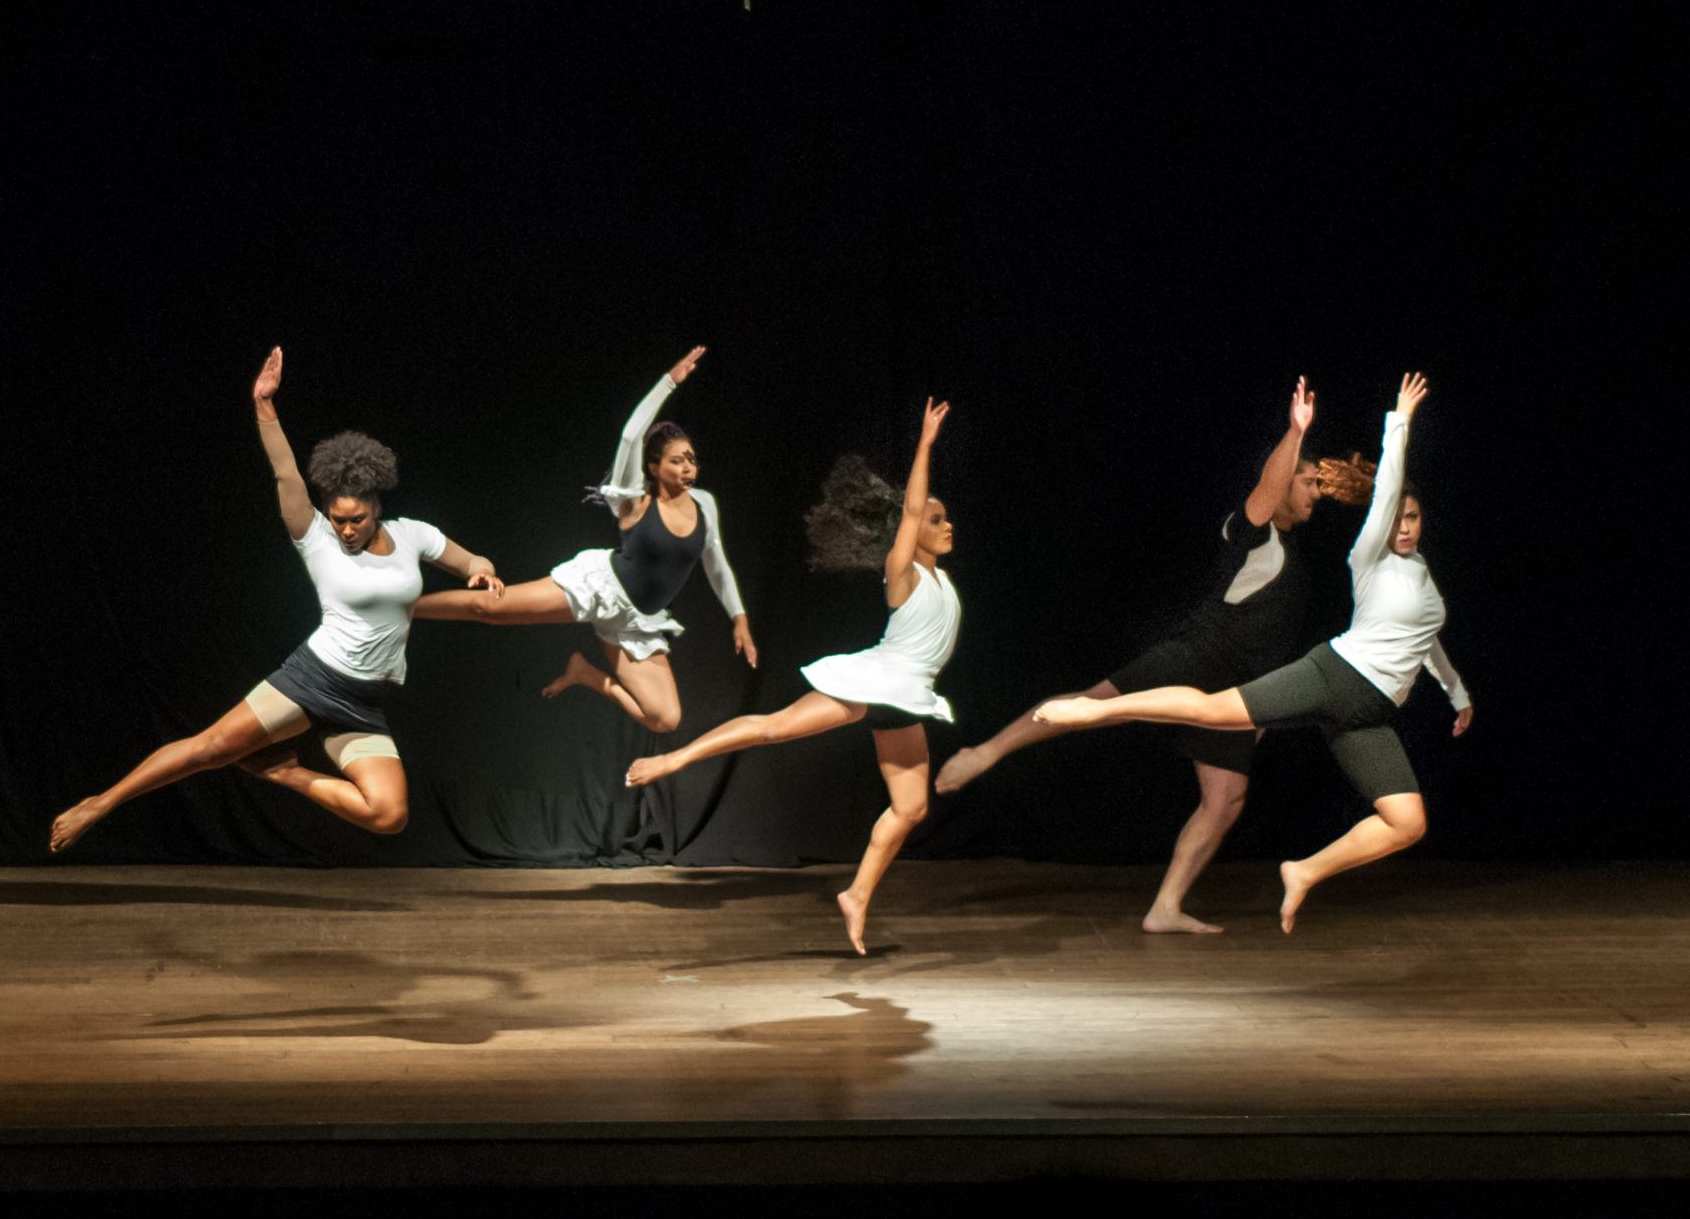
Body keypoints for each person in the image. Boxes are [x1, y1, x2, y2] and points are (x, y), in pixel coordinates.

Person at [1034, 373, 1472, 932]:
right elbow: (1387, 487)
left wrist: (1457, 693)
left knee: (1407, 822)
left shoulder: (1425, 580)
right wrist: (1401, 420)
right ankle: (1093, 709)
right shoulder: (1371, 556)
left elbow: (1426, 641)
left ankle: (1305, 872)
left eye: (1413, 518)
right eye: (1396, 518)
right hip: (1337, 676)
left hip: (1369, 714)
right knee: (1215, 711)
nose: (1403, 527)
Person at [49, 347, 500, 851]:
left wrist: (483, 574)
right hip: (314, 678)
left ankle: (282, 773)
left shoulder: (414, 534)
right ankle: (100, 804)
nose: (346, 529)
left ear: (376, 509)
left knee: (388, 814)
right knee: (211, 749)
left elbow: (471, 561)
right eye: (338, 518)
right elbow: (287, 474)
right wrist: (265, 405)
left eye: (356, 519)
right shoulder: (317, 540)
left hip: (365, 701)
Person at [931, 379, 1326, 934]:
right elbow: (1268, 484)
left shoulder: (1295, 561)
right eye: (1308, 481)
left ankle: (1165, 907)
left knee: (1227, 798)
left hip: (1235, 691)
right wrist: (1295, 433)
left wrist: (1260, 712)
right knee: (1092, 702)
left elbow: (1271, 642)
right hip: (1196, 657)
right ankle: (987, 750)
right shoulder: (1251, 535)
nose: (1316, 491)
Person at [625, 398, 956, 955]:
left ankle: (856, 897)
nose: (947, 527)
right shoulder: (904, 574)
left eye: (946, 519)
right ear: (912, 531)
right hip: (875, 681)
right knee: (776, 728)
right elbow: (912, 507)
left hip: (907, 697)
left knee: (912, 808)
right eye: (936, 520)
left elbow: (921, 517)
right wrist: (924, 445)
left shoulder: (943, 581)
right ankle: (672, 759)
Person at [411, 347, 755, 734]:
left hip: (635, 622)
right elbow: (630, 436)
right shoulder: (634, 499)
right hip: (600, 588)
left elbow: (717, 563)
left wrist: (738, 618)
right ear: (654, 467)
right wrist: (667, 383)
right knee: (490, 610)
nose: (688, 466)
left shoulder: (705, 504)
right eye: (677, 460)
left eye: (691, 458)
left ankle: (584, 674)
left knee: (665, 719)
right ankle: (401, 606)